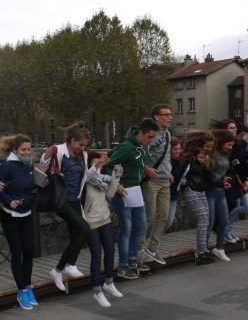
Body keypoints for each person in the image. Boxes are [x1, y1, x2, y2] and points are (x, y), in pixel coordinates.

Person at [105, 118, 159, 280]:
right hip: (122, 192)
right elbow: (108, 165)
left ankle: (133, 260)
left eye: (153, 137)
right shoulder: (126, 147)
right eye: (149, 137)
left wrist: (145, 170)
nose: (151, 141)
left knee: (141, 226)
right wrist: (116, 184)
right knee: (126, 228)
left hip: (135, 191)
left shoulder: (141, 148)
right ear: (140, 133)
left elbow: (137, 165)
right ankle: (123, 266)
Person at [41, 121, 91, 292]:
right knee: (85, 229)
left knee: (77, 234)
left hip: (75, 199)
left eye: (85, 146)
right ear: (71, 141)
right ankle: (68, 265)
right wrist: (46, 156)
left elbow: (84, 176)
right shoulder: (59, 150)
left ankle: (59, 270)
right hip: (61, 201)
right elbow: (42, 169)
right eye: (80, 144)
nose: (82, 148)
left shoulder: (82, 155)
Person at [0, 134, 37, 310]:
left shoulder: (28, 166)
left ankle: (28, 286)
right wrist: (10, 201)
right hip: (10, 215)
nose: (27, 152)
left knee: (29, 251)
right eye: (23, 149)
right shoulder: (6, 166)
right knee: (17, 252)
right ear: (14, 150)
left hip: (26, 213)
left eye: (28, 149)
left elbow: (33, 191)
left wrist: (23, 202)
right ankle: (20, 290)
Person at [83, 151, 124, 307]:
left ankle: (108, 282)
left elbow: (111, 194)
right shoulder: (86, 179)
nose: (100, 162)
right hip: (90, 222)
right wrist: (97, 164)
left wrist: (116, 177)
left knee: (110, 250)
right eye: (96, 161)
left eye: (101, 161)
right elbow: (90, 173)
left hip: (104, 218)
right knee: (96, 254)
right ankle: (97, 291)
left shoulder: (102, 179)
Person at [142, 104, 173, 265]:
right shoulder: (149, 133)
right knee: (148, 217)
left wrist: (169, 172)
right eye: (166, 114)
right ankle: (139, 251)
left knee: (164, 217)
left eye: (170, 115)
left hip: (164, 181)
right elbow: (137, 154)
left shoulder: (167, 133)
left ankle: (152, 248)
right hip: (151, 182)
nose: (170, 117)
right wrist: (146, 168)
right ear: (156, 116)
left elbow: (165, 156)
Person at [181, 131, 216, 265]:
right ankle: (201, 252)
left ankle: (203, 250)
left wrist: (206, 166)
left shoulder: (208, 157)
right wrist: (198, 163)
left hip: (201, 190)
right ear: (199, 145)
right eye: (207, 147)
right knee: (202, 218)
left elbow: (209, 177)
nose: (209, 149)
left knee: (205, 219)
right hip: (190, 189)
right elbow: (184, 170)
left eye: (211, 147)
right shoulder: (190, 156)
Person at [207, 130, 235, 262]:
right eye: (228, 145)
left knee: (224, 221)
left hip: (220, 191)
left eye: (231, 145)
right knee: (209, 222)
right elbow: (208, 175)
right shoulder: (213, 154)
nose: (230, 148)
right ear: (222, 143)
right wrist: (221, 182)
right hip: (210, 191)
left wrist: (226, 179)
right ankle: (203, 250)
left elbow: (222, 172)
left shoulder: (226, 155)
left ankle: (219, 248)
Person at [166, 136, 186, 232]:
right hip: (163, 193)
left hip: (173, 194)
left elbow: (184, 175)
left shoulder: (181, 161)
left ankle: (153, 241)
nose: (177, 151)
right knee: (159, 220)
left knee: (169, 221)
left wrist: (184, 180)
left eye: (179, 149)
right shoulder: (165, 162)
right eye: (175, 149)